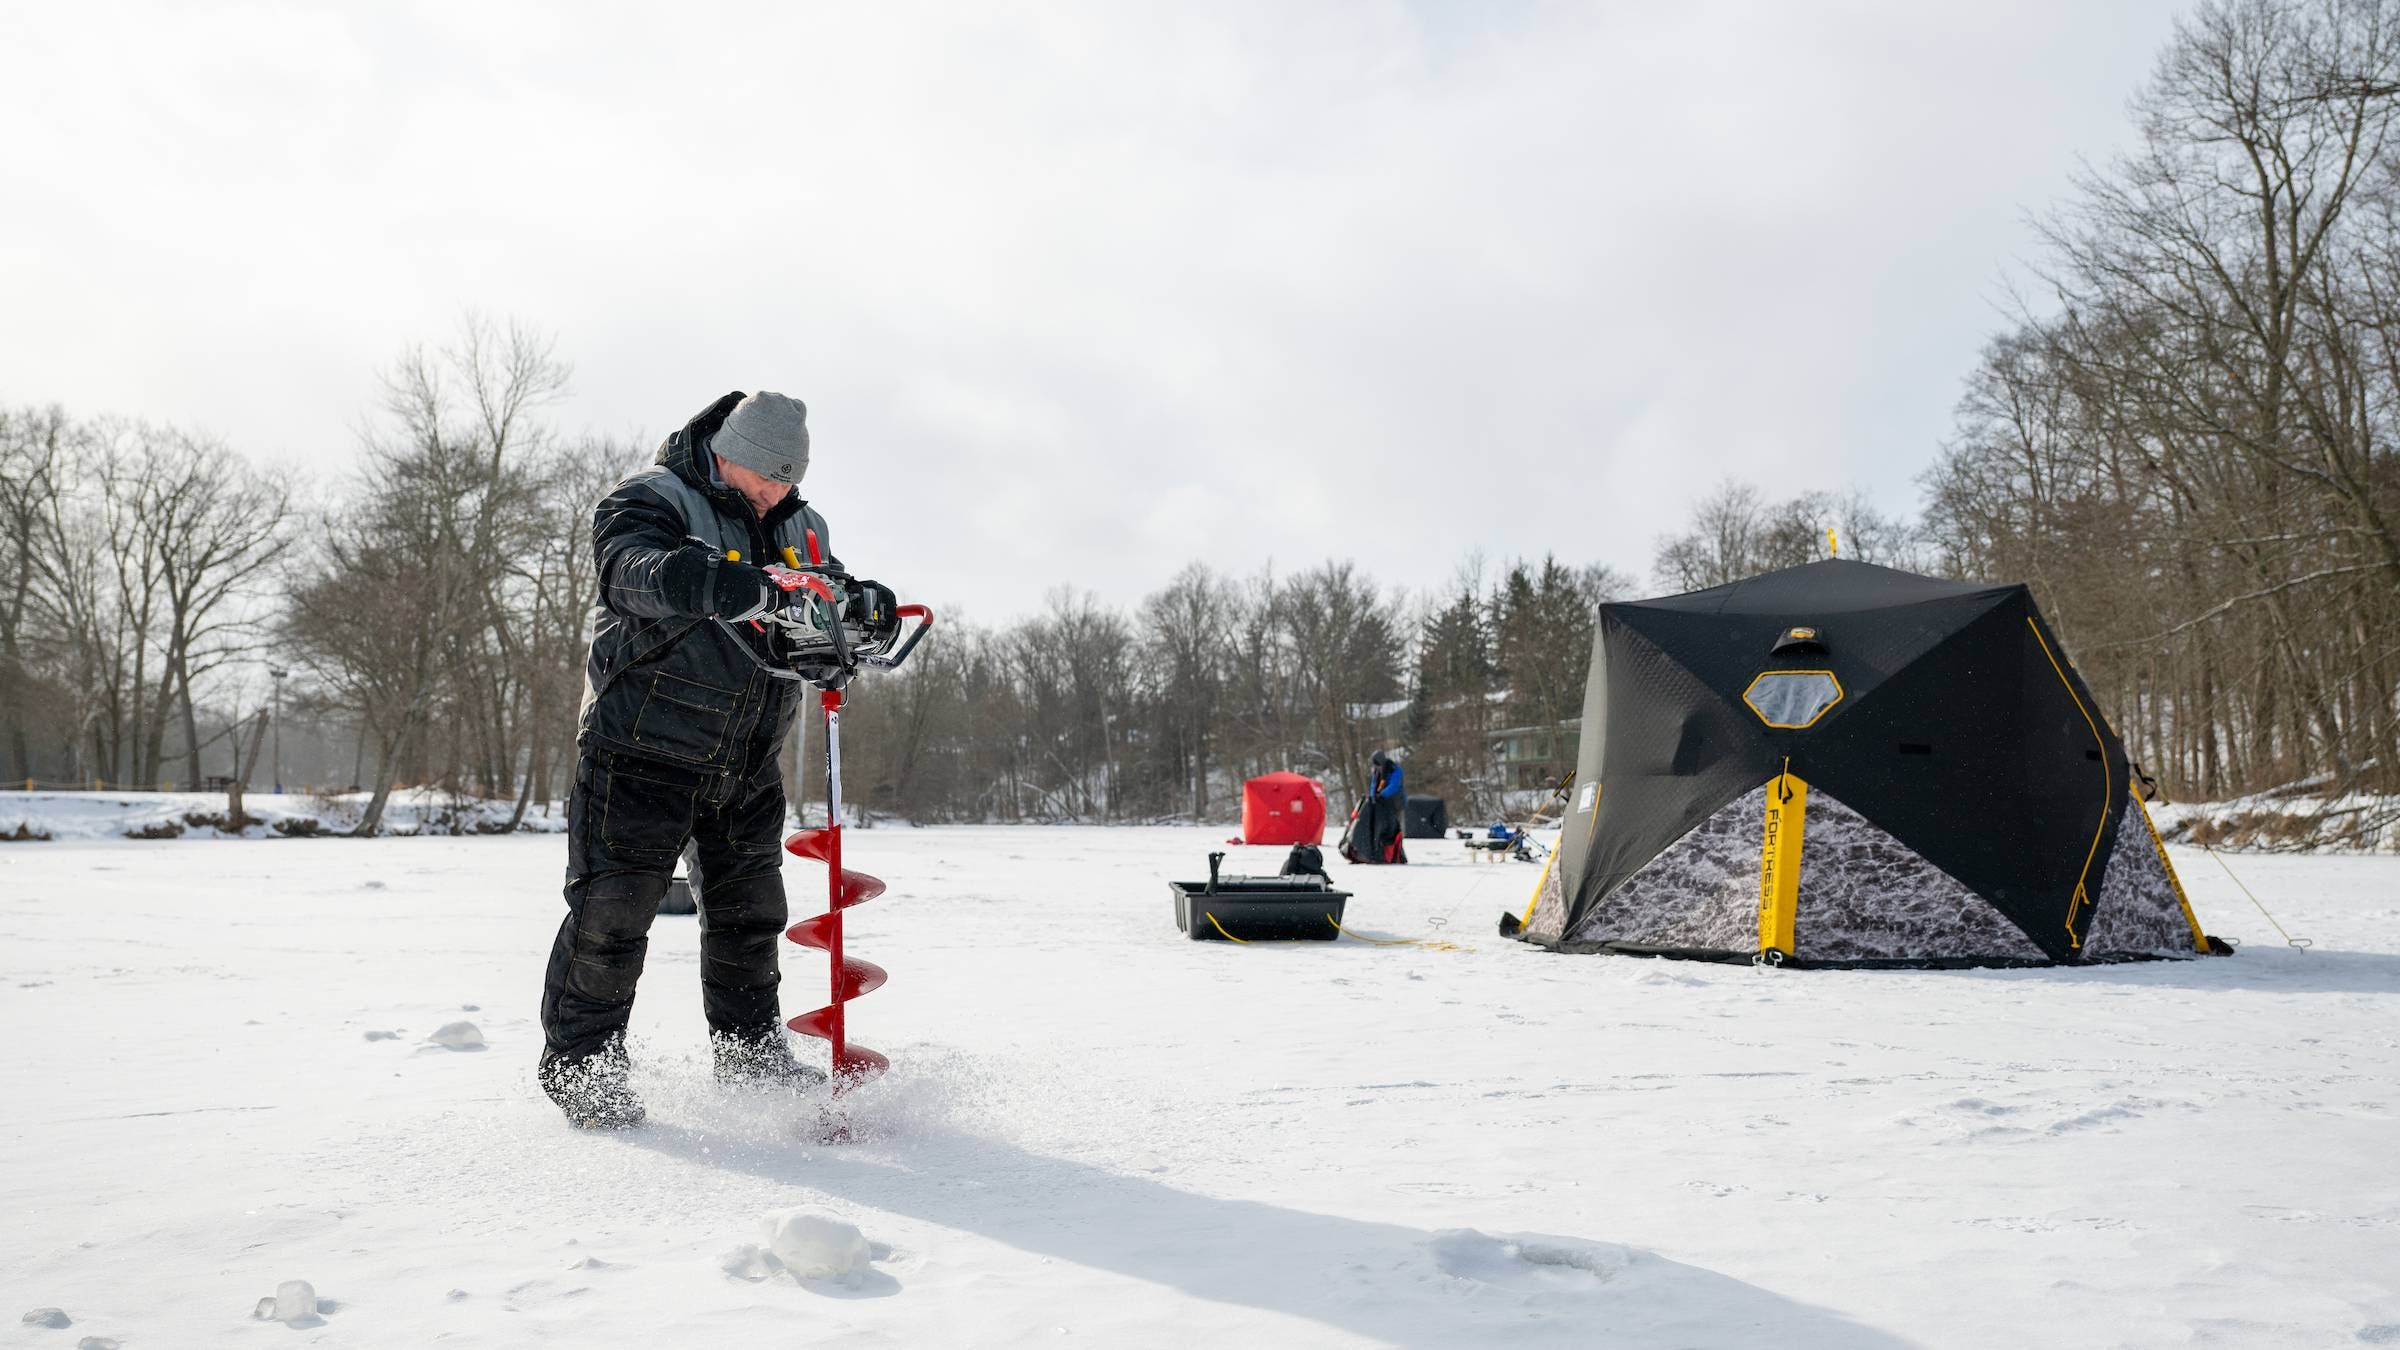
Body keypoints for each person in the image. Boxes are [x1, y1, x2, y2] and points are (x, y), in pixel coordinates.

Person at [537, 389, 839, 1129]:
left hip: (746, 758)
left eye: (789, 479)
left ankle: (752, 1064)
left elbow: (821, 598)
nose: (778, 492)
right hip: (639, 748)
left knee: (751, 918)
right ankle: (585, 1075)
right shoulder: (652, 496)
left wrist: (851, 617)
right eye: (769, 476)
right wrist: (716, 581)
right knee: (613, 915)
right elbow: (628, 571)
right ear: (728, 454)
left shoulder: (799, 523)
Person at [1340, 749, 1409, 865]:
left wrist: (1382, 795)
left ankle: (1395, 853)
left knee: (1393, 827)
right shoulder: (1377, 772)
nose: (1376, 767)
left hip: (1395, 803)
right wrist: (1373, 797)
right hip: (1382, 803)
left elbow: (1394, 785)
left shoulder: (1394, 769)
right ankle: (1378, 851)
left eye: (1377, 764)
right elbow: (1373, 785)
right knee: (1381, 827)